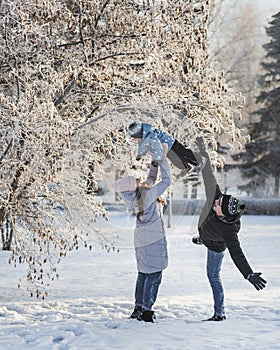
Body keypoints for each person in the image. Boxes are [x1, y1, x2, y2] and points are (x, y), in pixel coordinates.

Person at [192, 137, 267, 321]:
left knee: (213, 276)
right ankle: (203, 238)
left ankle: (220, 313)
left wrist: (248, 273)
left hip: (215, 245)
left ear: (224, 215)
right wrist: (203, 152)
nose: (215, 202)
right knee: (205, 233)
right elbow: (208, 173)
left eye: (217, 204)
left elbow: (236, 252)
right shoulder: (215, 196)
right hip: (207, 232)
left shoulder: (229, 232)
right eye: (218, 199)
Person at [115, 159, 171, 323]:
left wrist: (155, 165)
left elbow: (151, 180)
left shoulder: (135, 196)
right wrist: (164, 161)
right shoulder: (147, 194)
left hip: (142, 238)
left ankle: (138, 308)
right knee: (154, 276)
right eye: (136, 180)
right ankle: (147, 311)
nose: (139, 180)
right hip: (152, 240)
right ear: (133, 186)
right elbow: (167, 181)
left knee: (143, 275)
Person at [128, 121, 204, 177]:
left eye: (135, 138)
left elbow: (157, 148)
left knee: (183, 154)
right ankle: (186, 167)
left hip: (171, 143)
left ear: (139, 134)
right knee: (175, 160)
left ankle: (199, 160)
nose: (135, 140)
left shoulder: (151, 136)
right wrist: (140, 154)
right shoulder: (143, 138)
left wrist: (156, 160)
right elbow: (142, 146)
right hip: (166, 149)